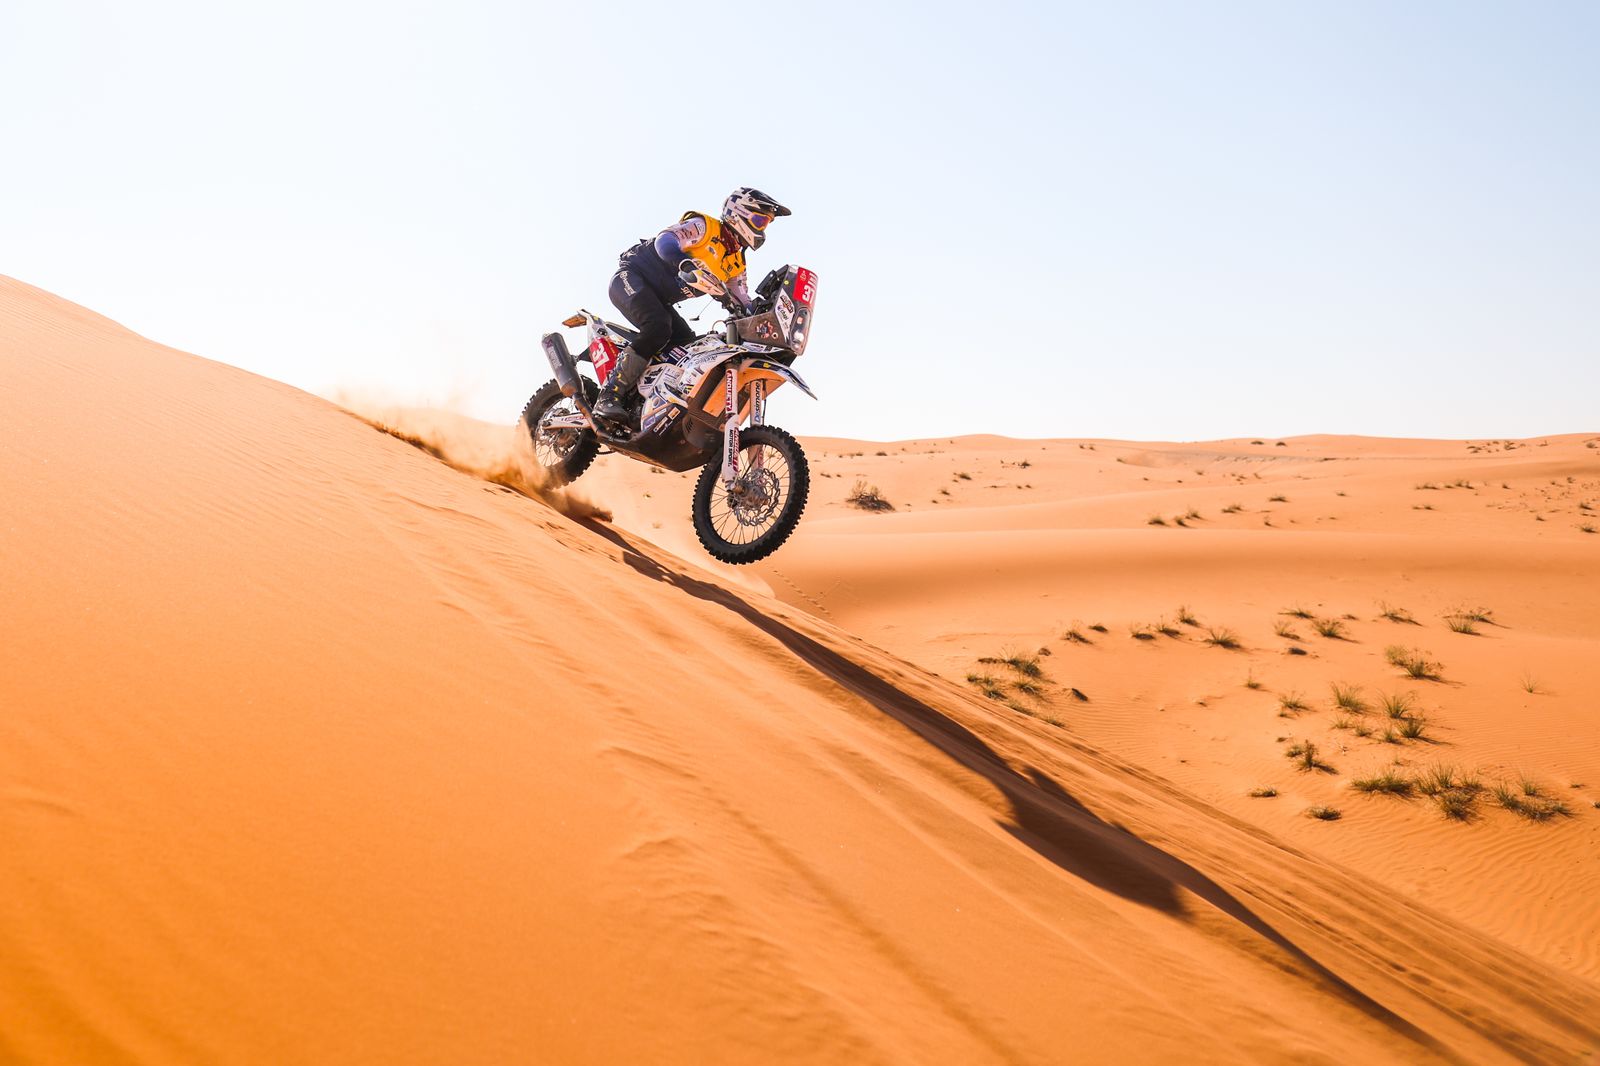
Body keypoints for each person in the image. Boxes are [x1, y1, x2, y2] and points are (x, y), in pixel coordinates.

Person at [592, 187, 791, 430]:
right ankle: (609, 395)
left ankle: (641, 400)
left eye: (766, 223)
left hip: (659, 300)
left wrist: (761, 316)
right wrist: (682, 261)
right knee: (658, 328)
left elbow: (742, 300)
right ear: (739, 213)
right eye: (760, 220)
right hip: (630, 278)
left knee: (687, 344)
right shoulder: (704, 227)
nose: (762, 228)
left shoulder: (735, 262)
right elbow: (665, 240)